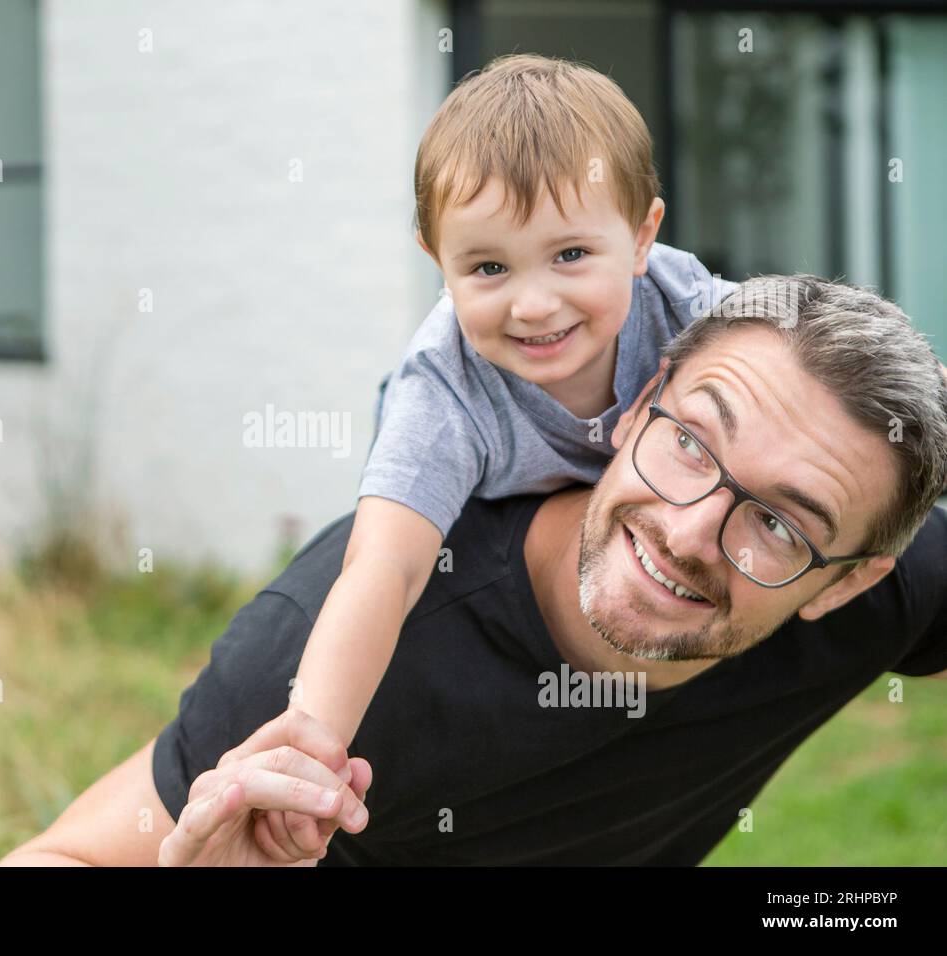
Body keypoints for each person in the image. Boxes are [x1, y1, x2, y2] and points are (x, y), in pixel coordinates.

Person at [0, 275, 947, 866]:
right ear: (636, 403)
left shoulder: (889, 596)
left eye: (778, 525)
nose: (693, 531)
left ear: (850, 581)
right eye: (693, 442)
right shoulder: (334, 670)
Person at [272, 53, 740, 859]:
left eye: (570, 257)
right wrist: (311, 742)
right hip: (493, 569)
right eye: (488, 267)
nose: (533, 304)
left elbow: (814, 359)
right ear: (436, 262)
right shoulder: (442, 393)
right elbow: (385, 569)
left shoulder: (683, 300)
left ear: (640, 237)